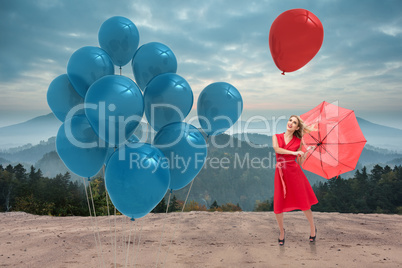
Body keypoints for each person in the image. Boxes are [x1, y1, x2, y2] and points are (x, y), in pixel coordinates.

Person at [272, 115, 318, 246]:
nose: (291, 123)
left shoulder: (298, 142)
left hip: (295, 172)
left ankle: (313, 229)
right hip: (281, 172)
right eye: (290, 120)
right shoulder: (276, 137)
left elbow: (300, 162)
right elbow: (277, 149)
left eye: (294, 122)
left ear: (297, 127)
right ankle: (282, 232)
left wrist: (307, 152)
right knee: (278, 204)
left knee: (304, 203)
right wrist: (293, 153)